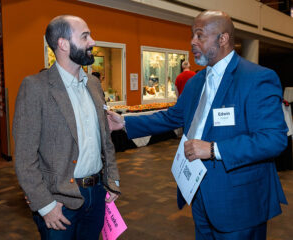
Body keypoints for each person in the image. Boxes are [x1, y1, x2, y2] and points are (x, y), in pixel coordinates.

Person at [107, 10, 288, 240]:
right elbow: (171, 117)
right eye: (192, 35)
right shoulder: (196, 82)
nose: (193, 42)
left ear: (222, 39)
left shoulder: (256, 78)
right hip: (201, 195)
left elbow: (273, 138)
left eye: (200, 35)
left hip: (240, 202)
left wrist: (213, 149)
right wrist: (123, 123)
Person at [13, 15, 120, 240]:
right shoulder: (35, 87)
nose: (92, 41)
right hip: (59, 202)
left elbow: (105, 140)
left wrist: (112, 181)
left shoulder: (93, 84)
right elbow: (24, 157)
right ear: (63, 44)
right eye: (85, 36)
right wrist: (44, 205)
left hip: (97, 194)